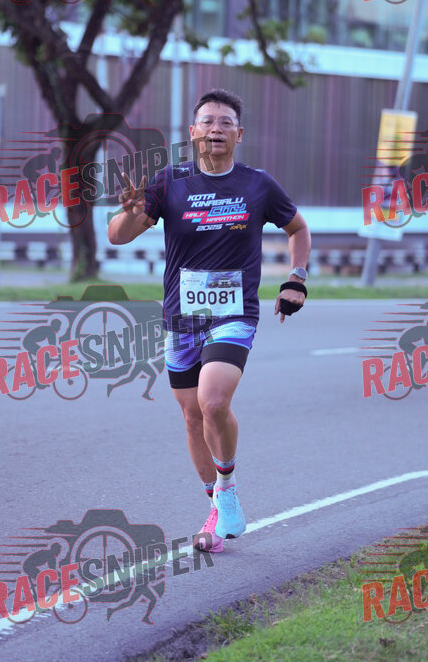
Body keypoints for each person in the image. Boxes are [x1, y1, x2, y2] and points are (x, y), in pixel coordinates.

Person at [107, 89, 311, 552]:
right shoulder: (169, 182)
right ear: (193, 132)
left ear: (239, 134)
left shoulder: (258, 185)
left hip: (233, 314)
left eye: (225, 122)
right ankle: (217, 507)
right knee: (191, 416)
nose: (216, 129)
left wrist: (296, 277)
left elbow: (298, 227)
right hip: (182, 317)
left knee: (213, 401)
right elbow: (118, 236)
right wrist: (130, 212)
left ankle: (228, 490)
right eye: (208, 121)